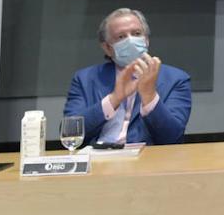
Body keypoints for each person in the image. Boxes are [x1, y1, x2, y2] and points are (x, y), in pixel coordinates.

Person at [64, 8, 192, 145]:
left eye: (137, 33)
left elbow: (173, 138)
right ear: (107, 48)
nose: (131, 40)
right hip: (98, 159)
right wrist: (114, 99)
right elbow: (70, 134)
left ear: (146, 40)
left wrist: (149, 96)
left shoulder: (175, 79)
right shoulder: (85, 79)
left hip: (147, 161)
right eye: (121, 37)